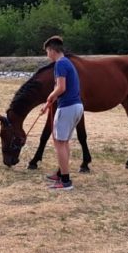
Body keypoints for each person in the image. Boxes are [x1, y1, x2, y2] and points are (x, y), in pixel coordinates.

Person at [39, 35, 83, 190]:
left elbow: (61, 88)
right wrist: (48, 104)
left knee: (59, 143)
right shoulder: (67, 62)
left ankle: (65, 181)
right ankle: (61, 173)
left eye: (47, 52)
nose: (47, 55)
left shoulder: (60, 64)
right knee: (63, 142)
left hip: (67, 107)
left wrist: (49, 97)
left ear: (52, 50)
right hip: (76, 106)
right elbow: (61, 87)